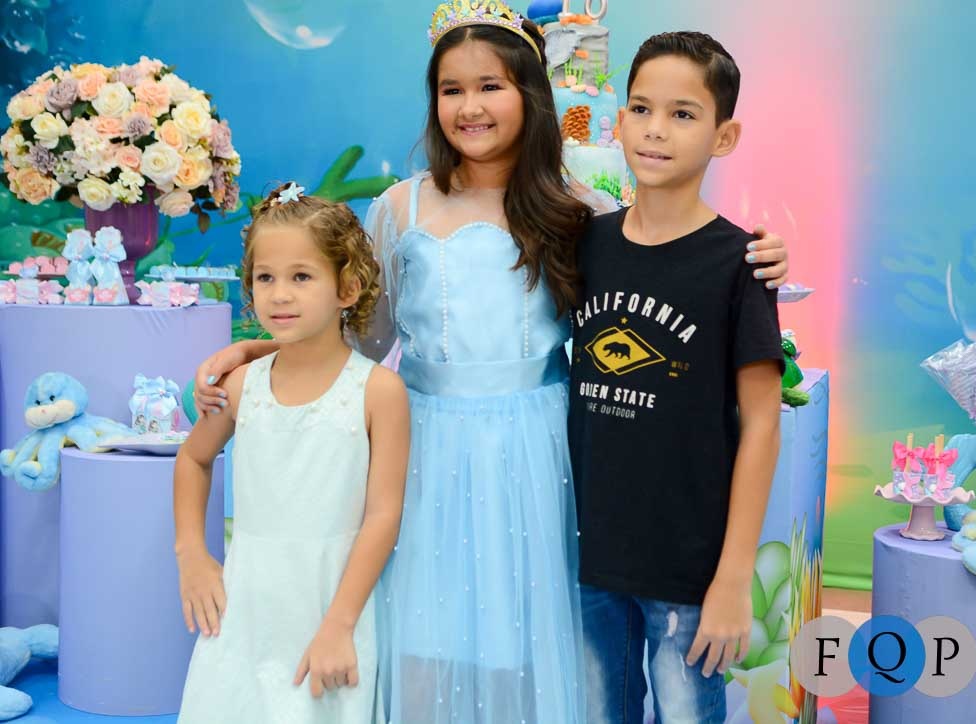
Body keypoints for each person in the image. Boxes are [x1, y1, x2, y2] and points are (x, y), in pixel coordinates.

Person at [193, 5, 789, 722]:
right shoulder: (401, 208)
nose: (470, 106)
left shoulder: (576, 210)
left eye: (491, 87)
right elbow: (361, 343)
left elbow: (659, 265)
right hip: (424, 447)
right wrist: (262, 351)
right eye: (452, 90)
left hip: (538, 451)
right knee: (424, 630)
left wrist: (759, 256)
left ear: (530, 93)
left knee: (536, 635)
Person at [569, 32, 785, 724]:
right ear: (619, 120)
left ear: (724, 137)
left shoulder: (740, 263)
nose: (656, 129)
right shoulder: (585, 245)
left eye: (683, 114)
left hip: (689, 570)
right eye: (641, 108)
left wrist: (732, 579)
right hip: (590, 554)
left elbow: (762, 424)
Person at [174, 184, 409, 723]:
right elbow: (193, 459)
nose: (279, 295)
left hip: (333, 606)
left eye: (301, 277)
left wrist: (340, 624)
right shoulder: (241, 386)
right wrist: (191, 553)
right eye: (265, 278)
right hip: (246, 608)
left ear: (347, 287)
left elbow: (383, 516)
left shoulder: (378, 392)